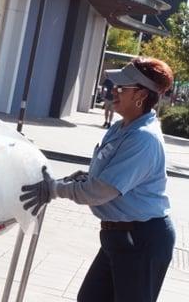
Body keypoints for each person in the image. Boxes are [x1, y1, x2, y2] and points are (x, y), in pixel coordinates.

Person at [20, 57, 175, 302]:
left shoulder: (143, 139)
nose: (114, 90)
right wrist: (79, 178)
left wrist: (54, 189)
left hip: (141, 240)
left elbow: (100, 191)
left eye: (122, 87)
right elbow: (100, 176)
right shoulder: (121, 127)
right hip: (118, 236)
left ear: (141, 96)